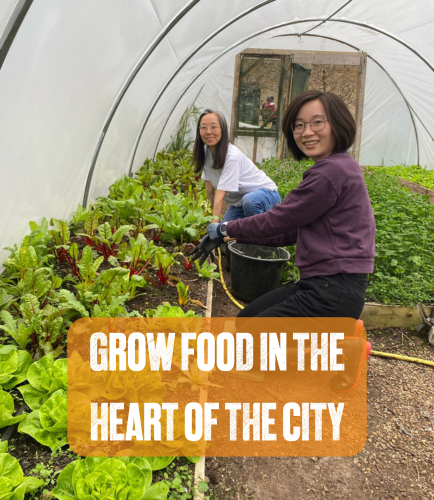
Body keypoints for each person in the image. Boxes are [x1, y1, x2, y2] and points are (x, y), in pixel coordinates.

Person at [192, 90, 376, 320]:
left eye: (317, 122)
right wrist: (233, 237)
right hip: (322, 284)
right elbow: (292, 231)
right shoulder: (336, 167)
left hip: (333, 291)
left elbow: (279, 219)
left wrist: (225, 228)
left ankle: (337, 351)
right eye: (298, 125)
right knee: (248, 318)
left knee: (253, 335)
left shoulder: (331, 173)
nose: (307, 132)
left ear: (338, 123)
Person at [192, 109, 281, 227]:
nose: (208, 132)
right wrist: (213, 221)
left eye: (213, 127)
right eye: (203, 127)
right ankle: (248, 236)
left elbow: (219, 196)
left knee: (250, 202)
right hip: (241, 202)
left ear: (222, 129)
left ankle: (261, 238)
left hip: (266, 195)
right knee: (224, 232)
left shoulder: (232, 156)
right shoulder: (206, 153)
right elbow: (209, 192)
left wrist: (214, 226)